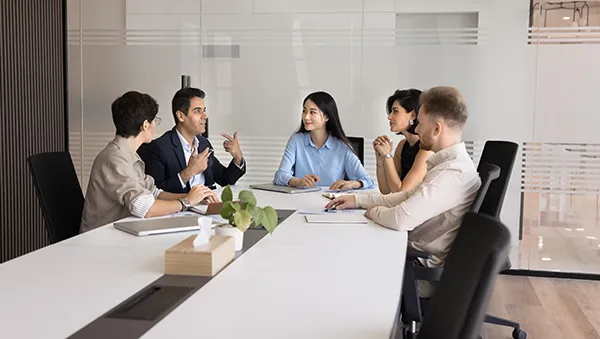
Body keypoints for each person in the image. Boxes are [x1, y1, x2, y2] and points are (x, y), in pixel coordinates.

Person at [325, 86, 481, 296]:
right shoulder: (448, 165)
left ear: (436, 129)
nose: (416, 130)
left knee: (341, 262)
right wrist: (357, 200)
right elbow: (407, 196)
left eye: (421, 124)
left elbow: (401, 218)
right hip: (410, 255)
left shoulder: (453, 173)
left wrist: (371, 212)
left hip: (417, 269)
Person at [80, 91, 218, 233]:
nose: (155, 125)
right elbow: (144, 207)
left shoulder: (130, 155)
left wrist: (195, 197)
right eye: (154, 120)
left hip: (122, 230)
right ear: (145, 125)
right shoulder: (115, 158)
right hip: (101, 237)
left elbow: (153, 192)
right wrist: (186, 202)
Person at [138, 88, 246, 193]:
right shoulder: (159, 148)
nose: (205, 116)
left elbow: (225, 179)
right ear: (181, 116)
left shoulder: (203, 143)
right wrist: (188, 173)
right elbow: (156, 192)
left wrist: (238, 157)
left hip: (207, 207)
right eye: (197, 111)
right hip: (179, 209)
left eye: (204, 111)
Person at [273, 91, 374, 190]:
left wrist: (352, 184)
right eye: (304, 111)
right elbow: (280, 175)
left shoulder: (343, 146)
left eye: (312, 112)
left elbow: (368, 181)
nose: (306, 117)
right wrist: (298, 181)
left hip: (331, 202)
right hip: (301, 201)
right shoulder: (296, 140)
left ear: (326, 117)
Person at [373, 89, 433, 194]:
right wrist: (380, 159)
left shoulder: (426, 150)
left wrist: (388, 156)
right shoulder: (402, 145)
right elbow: (386, 190)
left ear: (413, 115)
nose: (389, 116)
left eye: (395, 111)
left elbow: (401, 191)